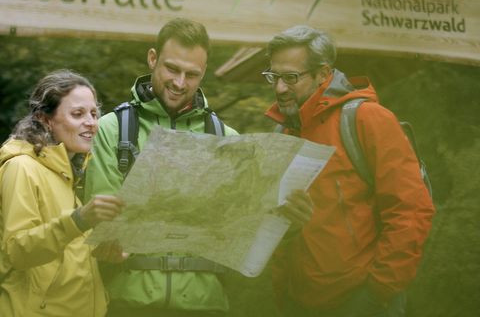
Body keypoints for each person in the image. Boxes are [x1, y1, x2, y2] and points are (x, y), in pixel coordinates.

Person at [262, 25, 435, 317]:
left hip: (362, 302)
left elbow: (411, 211)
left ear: (322, 73)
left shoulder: (367, 119)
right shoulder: (284, 134)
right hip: (299, 302)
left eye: (291, 77)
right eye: (273, 76)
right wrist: (283, 293)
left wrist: (377, 293)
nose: (279, 88)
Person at [84, 18, 239, 317]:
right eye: (172, 68)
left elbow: (238, 231)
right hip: (129, 303)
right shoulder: (112, 129)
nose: (180, 83)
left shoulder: (227, 139)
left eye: (192, 74)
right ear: (152, 58)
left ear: (203, 72)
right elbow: (104, 222)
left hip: (205, 304)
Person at [0, 69, 124, 317]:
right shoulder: (21, 167)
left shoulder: (69, 173)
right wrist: (79, 220)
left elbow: (62, 254)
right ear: (45, 120)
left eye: (93, 113)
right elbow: (16, 251)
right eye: (78, 114)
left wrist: (101, 253)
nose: (91, 122)